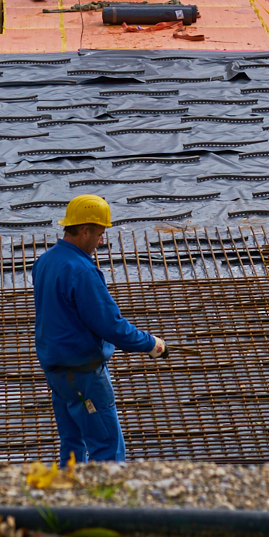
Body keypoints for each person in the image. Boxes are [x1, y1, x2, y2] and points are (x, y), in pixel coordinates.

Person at [31, 195, 167, 465]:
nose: (101, 241)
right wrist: (151, 344)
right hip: (84, 376)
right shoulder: (82, 271)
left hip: (56, 371)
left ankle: (67, 503)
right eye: (100, 234)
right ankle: (105, 505)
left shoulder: (45, 262)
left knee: (72, 445)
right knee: (107, 447)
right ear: (85, 231)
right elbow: (110, 326)